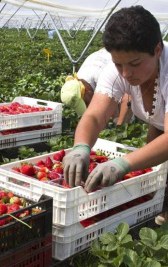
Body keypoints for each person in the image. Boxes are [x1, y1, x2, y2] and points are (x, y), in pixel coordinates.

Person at [63, 5, 168, 223]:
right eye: (118, 64)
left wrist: (122, 164)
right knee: (159, 173)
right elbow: (94, 116)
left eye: (135, 63)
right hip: (159, 125)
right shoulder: (117, 71)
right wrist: (81, 147)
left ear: (157, 50)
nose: (126, 73)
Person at [61, 48, 133, 125]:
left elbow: (129, 96)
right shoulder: (79, 77)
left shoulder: (105, 76)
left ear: (87, 90)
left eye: (86, 102)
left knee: (128, 116)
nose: (87, 106)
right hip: (109, 55)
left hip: (129, 59)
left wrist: (120, 125)